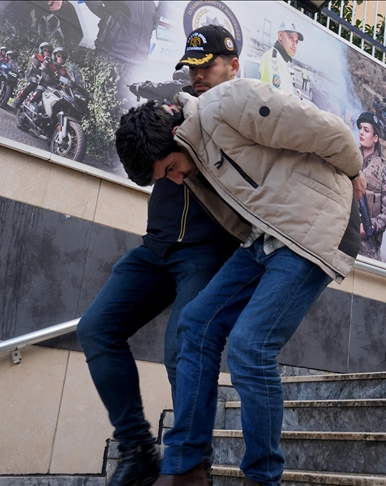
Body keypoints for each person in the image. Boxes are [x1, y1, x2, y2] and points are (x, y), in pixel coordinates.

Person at [117, 70, 364, 485]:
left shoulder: (230, 103)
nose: (176, 179)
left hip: (315, 227)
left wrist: (355, 172)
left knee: (251, 346)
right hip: (266, 237)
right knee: (194, 326)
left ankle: (262, 478)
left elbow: (329, 131)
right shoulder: (192, 147)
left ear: (175, 136)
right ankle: (188, 466)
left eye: (171, 169)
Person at [75, 25, 241, 486]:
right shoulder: (174, 106)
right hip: (156, 248)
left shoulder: (244, 113)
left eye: (208, 67)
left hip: (207, 253)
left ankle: (191, 462)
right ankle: (137, 448)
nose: (199, 76)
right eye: (193, 68)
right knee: (96, 328)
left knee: (182, 345)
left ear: (233, 66)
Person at [355, 111, 386, 261]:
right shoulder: (350, 158)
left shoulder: (382, 171)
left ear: (375, 137)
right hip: (344, 236)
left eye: (366, 130)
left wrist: (370, 225)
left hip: (367, 246)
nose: (361, 133)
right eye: (360, 128)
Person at [258, 21, 303, 95]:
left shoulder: (283, 60)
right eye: (290, 38)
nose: (294, 44)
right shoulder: (272, 59)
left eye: (296, 41)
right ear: (280, 36)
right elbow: (274, 99)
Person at [13, 41, 53, 109]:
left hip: (43, 80)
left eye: (48, 51)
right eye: (45, 50)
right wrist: (43, 64)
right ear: (41, 49)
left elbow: (51, 71)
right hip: (34, 76)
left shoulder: (50, 62)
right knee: (33, 82)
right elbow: (36, 63)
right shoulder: (36, 55)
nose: (47, 52)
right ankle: (19, 99)